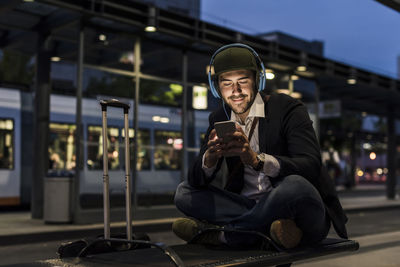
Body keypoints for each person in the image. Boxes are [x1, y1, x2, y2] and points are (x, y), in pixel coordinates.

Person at [173, 43, 348, 251]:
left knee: (294, 185)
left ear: (257, 79)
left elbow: (310, 164)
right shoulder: (219, 118)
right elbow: (196, 181)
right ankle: (271, 231)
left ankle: (224, 236)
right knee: (183, 192)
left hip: (299, 210)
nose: (235, 91)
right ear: (216, 87)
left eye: (243, 81)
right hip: (248, 206)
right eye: (226, 83)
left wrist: (257, 161)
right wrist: (209, 160)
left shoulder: (288, 108)